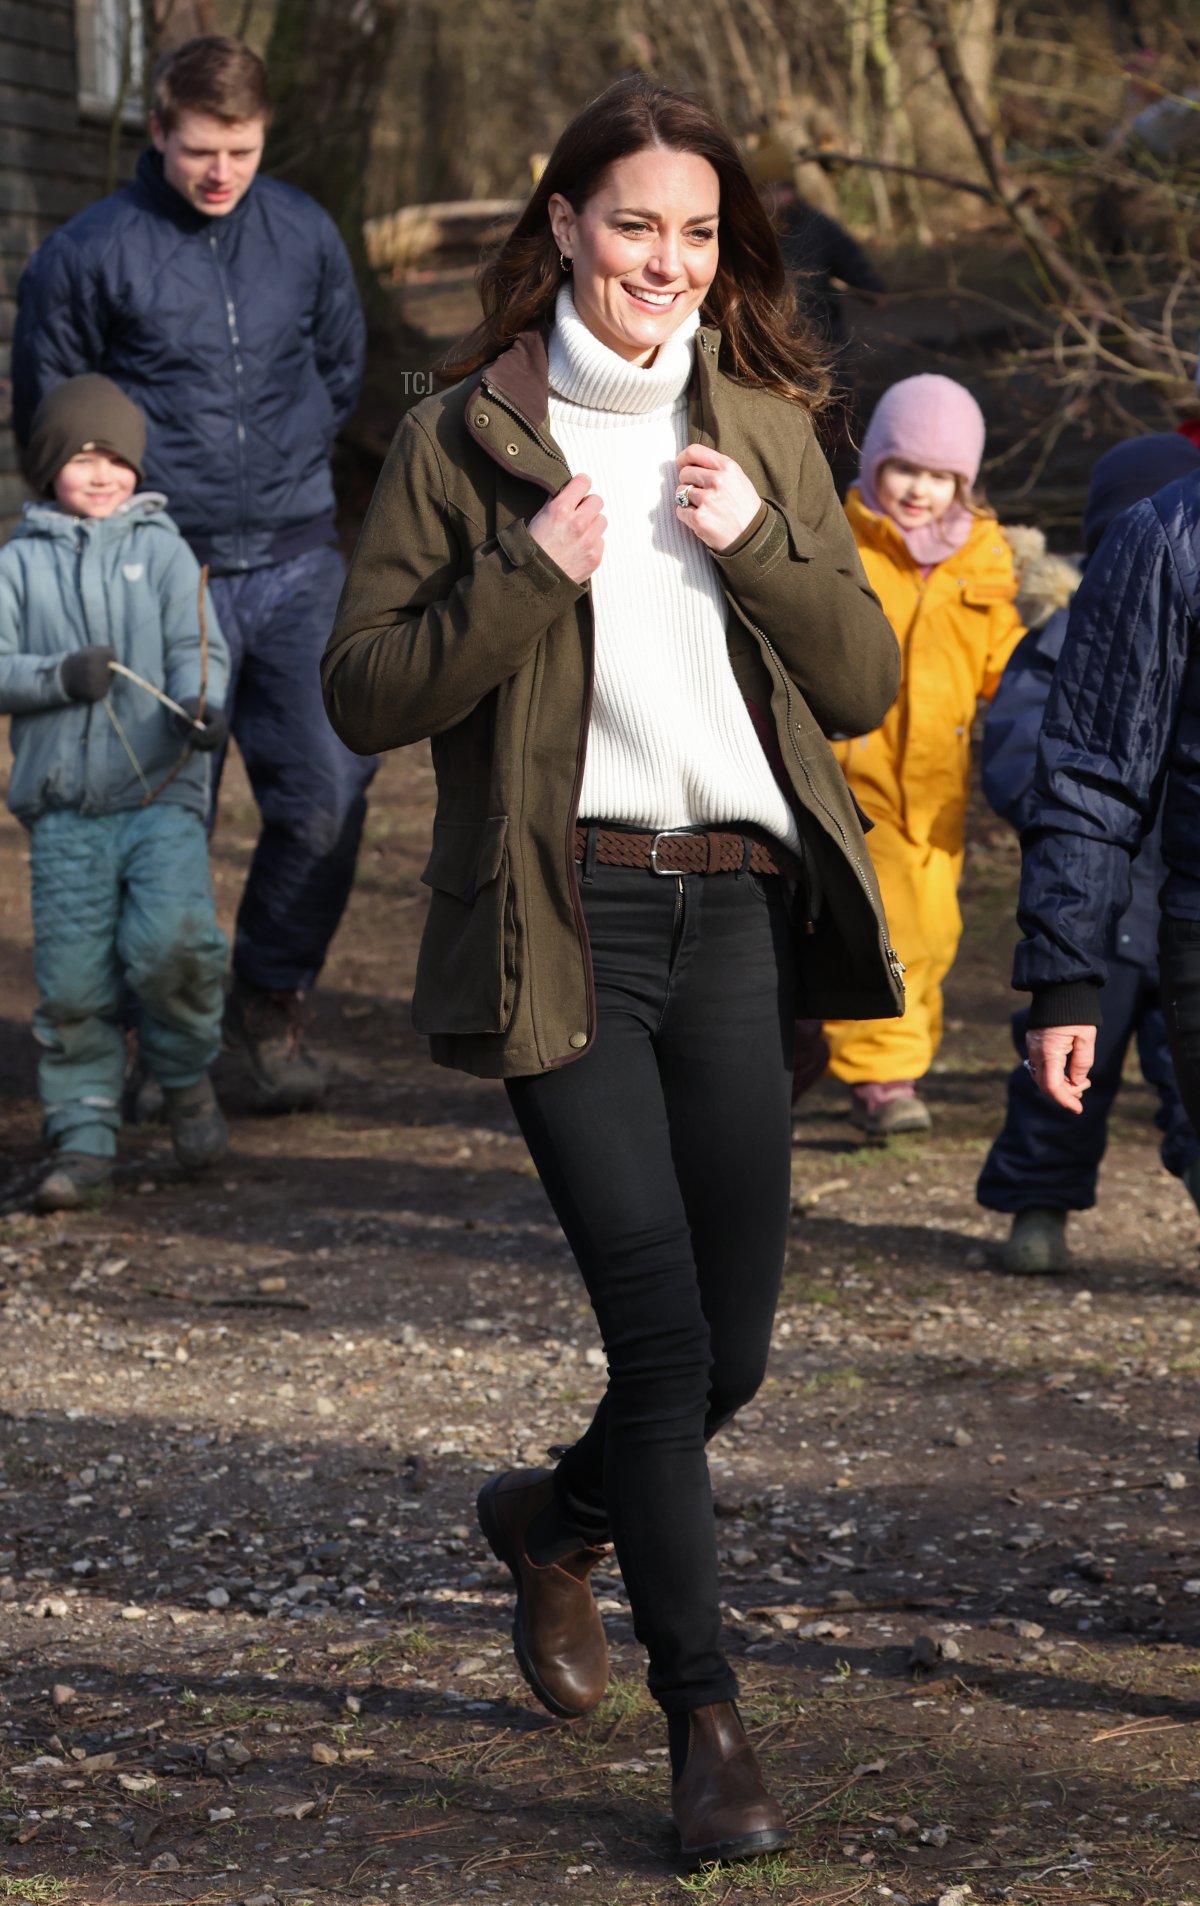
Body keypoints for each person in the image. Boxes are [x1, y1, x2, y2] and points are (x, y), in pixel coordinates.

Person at [323, 76, 902, 1870]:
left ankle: (551, 1519)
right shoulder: (462, 439)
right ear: (564, 221)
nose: (667, 259)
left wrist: (755, 543)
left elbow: (867, 680)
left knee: (722, 1358)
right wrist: (526, 566)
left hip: (731, 917)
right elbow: (365, 692)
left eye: (698, 232)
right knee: (658, 1335)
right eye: (634, 222)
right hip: (557, 919)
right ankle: (707, 1716)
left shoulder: (773, 429)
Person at [10, 34, 370, 1112]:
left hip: (301, 563)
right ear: (159, 128)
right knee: (161, 819)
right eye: (201, 149)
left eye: (243, 151)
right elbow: (51, 411)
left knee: (329, 795)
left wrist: (293, 460)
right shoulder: (87, 254)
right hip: (165, 573)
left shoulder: (304, 232)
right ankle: (140, 1050)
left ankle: (265, 1003)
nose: (221, 172)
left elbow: (342, 366)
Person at [0, 376, 230, 1211]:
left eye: (117, 459)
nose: (102, 475)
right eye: (81, 458)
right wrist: (56, 676)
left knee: (174, 949)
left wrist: (204, 704)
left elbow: (198, 646)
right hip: (65, 812)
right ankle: (84, 1142)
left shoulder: (165, 549)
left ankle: (186, 1080)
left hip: (159, 797)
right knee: (73, 984)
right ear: (48, 465)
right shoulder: (18, 564)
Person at [977, 435, 1200, 1272]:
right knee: (1068, 1076)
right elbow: (1047, 755)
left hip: (1166, 886)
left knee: (1180, 1086)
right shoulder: (1073, 630)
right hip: (1105, 910)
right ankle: (1037, 1203)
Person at [821, 375, 1025, 1136]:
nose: (920, 490)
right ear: (874, 461)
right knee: (887, 926)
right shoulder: (839, 541)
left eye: (942, 477)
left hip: (940, 793)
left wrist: (1024, 699)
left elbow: (1003, 655)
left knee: (936, 932)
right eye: (905, 468)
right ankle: (884, 1076)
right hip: (857, 780)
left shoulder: (983, 556)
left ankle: (868, 1054)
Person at [749, 135, 885, 351]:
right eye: (767, 190)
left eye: (784, 187)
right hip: (771, 331)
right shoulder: (751, 230)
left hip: (819, 328)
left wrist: (871, 289)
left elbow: (847, 256)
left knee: (827, 374)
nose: (778, 197)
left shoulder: (813, 223)